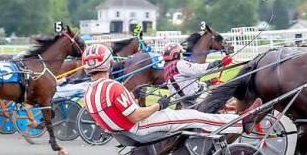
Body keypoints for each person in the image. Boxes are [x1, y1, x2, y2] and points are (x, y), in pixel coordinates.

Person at [81, 44, 249, 136]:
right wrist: (159, 106)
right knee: (193, 116)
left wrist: (132, 95)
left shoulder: (89, 92)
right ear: (108, 63)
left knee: (187, 114)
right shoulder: (112, 87)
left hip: (123, 129)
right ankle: (239, 122)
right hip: (140, 126)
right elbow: (136, 115)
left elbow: (119, 109)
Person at [162, 42, 232, 107]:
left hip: (187, 101)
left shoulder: (167, 69)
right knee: (227, 97)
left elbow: (188, 85)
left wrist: (210, 82)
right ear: (176, 54)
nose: (182, 55)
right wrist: (221, 62)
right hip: (198, 98)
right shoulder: (178, 64)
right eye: (181, 53)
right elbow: (199, 69)